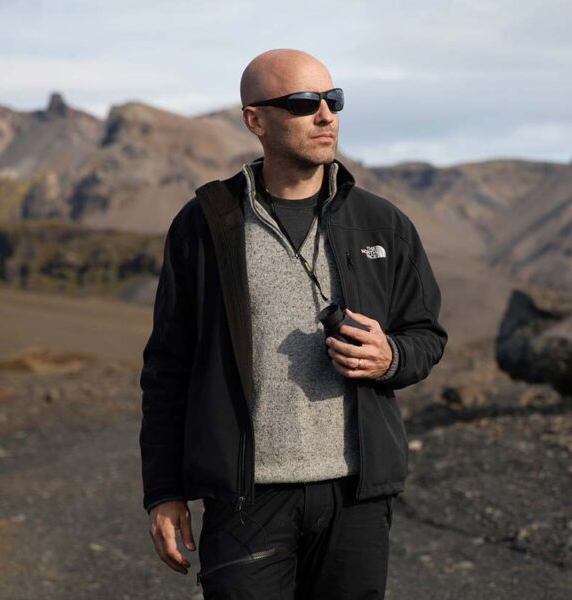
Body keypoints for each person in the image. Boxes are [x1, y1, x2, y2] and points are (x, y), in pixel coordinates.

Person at [139, 48, 448, 599]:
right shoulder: (207, 224)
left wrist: (391, 358)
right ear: (255, 119)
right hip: (245, 500)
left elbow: (426, 333)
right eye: (305, 103)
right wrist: (163, 491)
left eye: (334, 100)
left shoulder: (382, 222)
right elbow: (168, 367)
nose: (326, 115)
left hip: (355, 496)